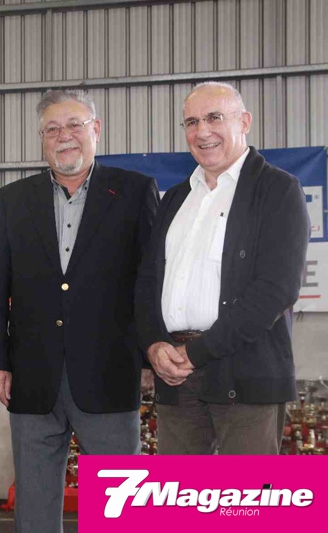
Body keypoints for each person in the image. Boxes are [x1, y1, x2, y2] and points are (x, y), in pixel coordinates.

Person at [0, 89, 159, 532]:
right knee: (35, 508)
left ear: (95, 130)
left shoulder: (135, 191)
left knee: (118, 508)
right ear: (42, 139)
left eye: (75, 125)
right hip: (31, 377)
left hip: (110, 373)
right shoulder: (13, 198)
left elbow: (151, 279)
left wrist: (148, 353)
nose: (64, 136)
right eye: (52, 129)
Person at [134, 81, 310, 455]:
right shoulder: (175, 199)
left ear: (244, 121)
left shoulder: (278, 189)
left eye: (214, 118)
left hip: (246, 374)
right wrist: (153, 344)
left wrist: (197, 352)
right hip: (176, 377)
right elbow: (148, 280)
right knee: (180, 492)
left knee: (245, 493)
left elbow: (276, 289)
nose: (202, 131)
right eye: (191, 122)